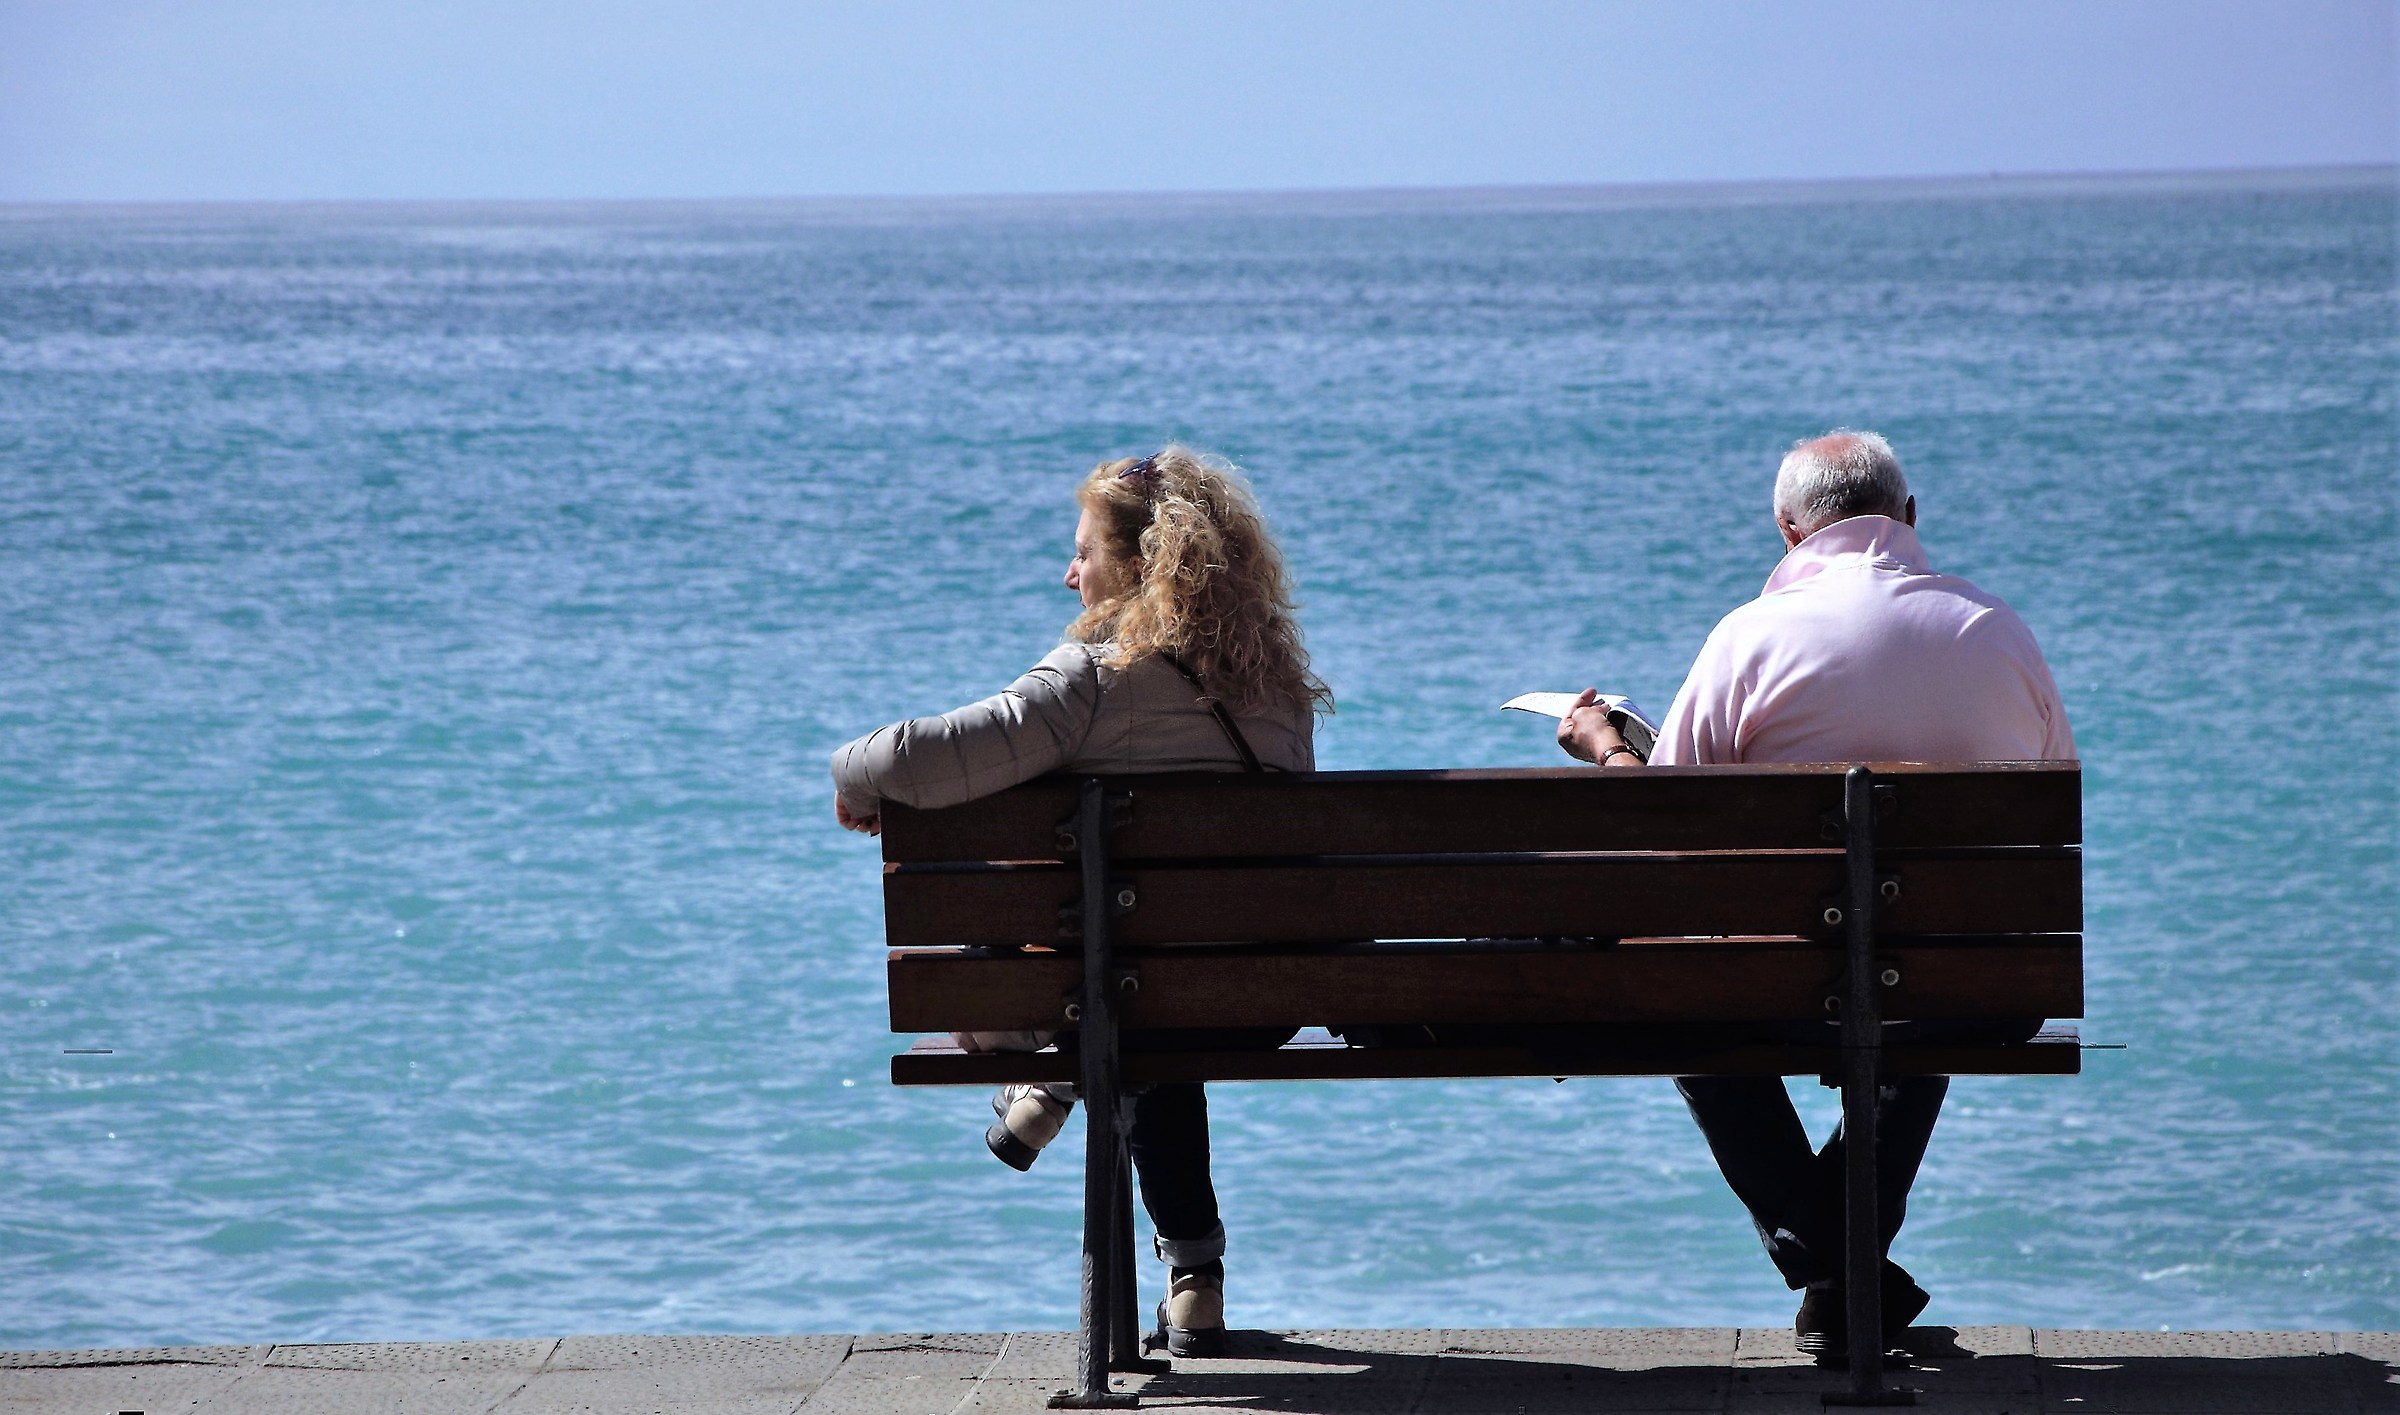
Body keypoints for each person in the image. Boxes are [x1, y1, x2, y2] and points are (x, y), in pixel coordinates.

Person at [1556, 429, 2075, 1356]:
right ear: (1910, 518)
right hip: (1981, 990)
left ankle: (1839, 1272)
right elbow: (2044, 808)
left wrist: (1611, 749)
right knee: (1919, 978)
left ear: (1788, 532)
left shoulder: (1749, 637)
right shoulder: (1999, 632)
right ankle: (1848, 1283)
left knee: (1688, 1011)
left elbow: (1660, 838)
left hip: (1777, 985)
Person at [830, 446, 1329, 1356]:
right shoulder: (1279, 689)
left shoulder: (1091, 676)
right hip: (1258, 1002)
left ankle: (1054, 1077)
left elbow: (920, 756)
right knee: (1147, 999)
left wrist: (852, 775)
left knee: (1093, 971)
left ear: (1138, 565)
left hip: (1112, 993)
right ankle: (1195, 1280)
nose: (1070, 574)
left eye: (1084, 553)